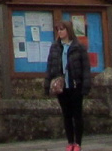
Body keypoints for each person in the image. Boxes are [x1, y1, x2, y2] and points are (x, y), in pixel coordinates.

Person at [41, 19, 89, 151]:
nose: (60, 32)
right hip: (61, 87)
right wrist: (47, 84)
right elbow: (50, 66)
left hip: (75, 85)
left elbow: (85, 68)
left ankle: (78, 143)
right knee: (66, 115)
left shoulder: (78, 47)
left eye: (62, 29)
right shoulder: (55, 47)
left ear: (68, 30)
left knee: (77, 115)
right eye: (58, 30)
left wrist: (85, 86)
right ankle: (70, 142)